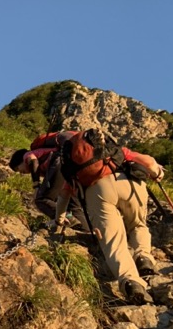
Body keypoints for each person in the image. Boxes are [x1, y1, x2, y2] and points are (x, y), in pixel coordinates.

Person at [54, 129, 164, 305]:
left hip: (96, 191)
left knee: (114, 242)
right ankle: (143, 257)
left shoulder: (72, 166)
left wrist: (59, 219)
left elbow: (63, 196)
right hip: (128, 182)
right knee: (138, 225)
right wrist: (157, 173)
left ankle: (131, 281)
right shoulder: (110, 151)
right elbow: (149, 162)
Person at [8, 131, 89, 230]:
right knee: (73, 207)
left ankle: (68, 219)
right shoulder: (44, 161)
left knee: (41, 199)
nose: (21, 172)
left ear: (20, 161)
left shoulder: (27, 155)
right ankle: (86, 230)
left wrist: (36, 186)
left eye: (18, 169)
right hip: (71, 170)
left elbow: (33, 161)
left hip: (59, 162)